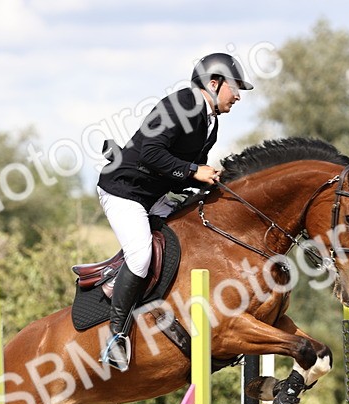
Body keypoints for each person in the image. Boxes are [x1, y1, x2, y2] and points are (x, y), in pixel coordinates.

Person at [96, 52, 254, 371]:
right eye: (234, 87)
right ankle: (115, 335)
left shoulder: (211, 123)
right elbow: (151, 152)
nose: (237, 95)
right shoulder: (182, 104)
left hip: (154, 194)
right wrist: (195, 171)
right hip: (124, 191)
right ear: (214, 83)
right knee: (141, 257)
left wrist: (213, 184)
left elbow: (179, 172)